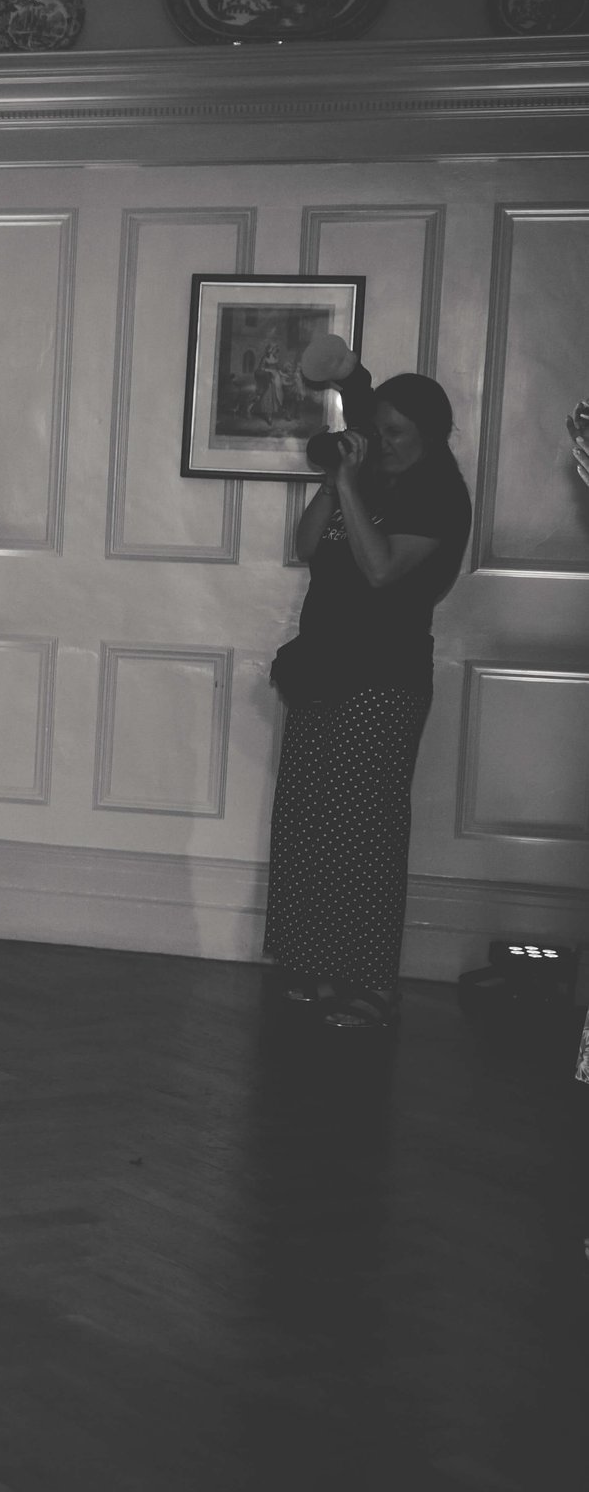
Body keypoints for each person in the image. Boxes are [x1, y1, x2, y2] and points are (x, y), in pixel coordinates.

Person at [263, 367, 473, 1030]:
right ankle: (318, 967)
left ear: (432, 434)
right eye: (375, 431)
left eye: (396, 432)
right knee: (311, 825)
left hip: (382, 679)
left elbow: (381, 569)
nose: (382, 443)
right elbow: (304, 546)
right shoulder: (369, 481)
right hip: (321, 667)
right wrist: (337, 480)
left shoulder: (439, 494)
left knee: (365, 836)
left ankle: (373, 985)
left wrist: (352, 486)